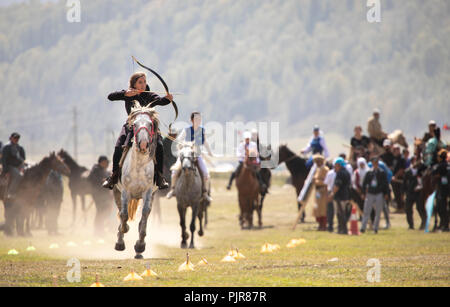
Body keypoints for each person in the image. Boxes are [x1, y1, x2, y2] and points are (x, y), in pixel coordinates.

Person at [102, 72, 172, 190]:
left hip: (149, 128)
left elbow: (160, 101)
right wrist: (125, 93)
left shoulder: (149, 95)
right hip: (131, 127)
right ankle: (113, 177)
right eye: (140, 82)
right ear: (134, 83)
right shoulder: (128, 93)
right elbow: (110, 96)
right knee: (119, 147)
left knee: (159, 146)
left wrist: (168, 99)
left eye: (144, 82)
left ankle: (160, 177)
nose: (143, 84)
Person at [167, 112, 213, 202]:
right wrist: (183, 145)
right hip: (186, 155)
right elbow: (178, 142)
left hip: (197, 156)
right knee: (175, 171)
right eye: (196, 119)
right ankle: (173, 189)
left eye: (199, 119)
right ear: (191, 120)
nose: (198, 121)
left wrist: (210, 152)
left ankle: (204, 192)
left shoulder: (202, 130)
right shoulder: (186, 130)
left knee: (205, 174)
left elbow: (205, 142)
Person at [360, 157, 390, 234]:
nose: (375, 164)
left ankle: (375, 228)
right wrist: (363, 193)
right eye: (374, 162)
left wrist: (386, 193)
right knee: (367, 210)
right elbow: (364, 183)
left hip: (379, 193)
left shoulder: (382, 172)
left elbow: (385, 184)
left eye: (376, 162)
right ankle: (363, 227)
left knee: (378, 211)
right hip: (370, 193)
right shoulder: (369, 172)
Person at [88, 156, 113, 236]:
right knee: (100, 211)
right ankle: (98, 231)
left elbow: (109, 177)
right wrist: (101, 180)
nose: (108, 164)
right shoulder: (95, 169)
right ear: (102, 162)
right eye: (106, 162)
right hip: (98, 194)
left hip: (105, 194)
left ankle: (100, 229)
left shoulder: (104, 170)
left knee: (106, 211)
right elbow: (90, 179)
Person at [403, 156, 426, 230]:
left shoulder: (421, 171)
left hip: (418, 193)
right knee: (408, 209)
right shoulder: (407, 171)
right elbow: (404, 183)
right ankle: (411, 225)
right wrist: (403, 193)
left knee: (420, 208)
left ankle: (424, 222)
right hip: (410, 193)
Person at [329, 157, 351, 235]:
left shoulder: (340, 173)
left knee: (340, 213)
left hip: (340, 196)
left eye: (335, 165)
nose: (334, 167)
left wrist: (332, 194)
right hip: (346, 195)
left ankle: (342, 230)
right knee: (343, 212)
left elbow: (337, 185)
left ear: (339, 165)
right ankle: (342, 229)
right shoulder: (347, 172)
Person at [1, 132, 26, 200]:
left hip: (19, 166)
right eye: (15, 138)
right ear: (11, 138)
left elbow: (23, 159)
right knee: (18, 175)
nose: (16, 139)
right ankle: (11, 193)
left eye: (17, 138)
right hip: (10, 167)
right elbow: (4, 160)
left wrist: (22, 167)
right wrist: (6, 171)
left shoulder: (20, 148)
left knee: (28, 174)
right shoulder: (7, 147)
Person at [432, 149, 449, 231]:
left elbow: (435, 174)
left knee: (440, 207)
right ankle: (445, 225)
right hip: (448, 189)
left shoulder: (440, 166)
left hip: (442, 190)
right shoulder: (448, 165)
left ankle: (443, 225)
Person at [312, 154, 329, 231]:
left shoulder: (325, 170)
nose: (317, 163)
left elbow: (326, 181)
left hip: (323, 191)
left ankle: (324, 225)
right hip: (318, 191)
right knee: (317, 208)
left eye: (317, 162)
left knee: (323, 208)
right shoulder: (317, 169)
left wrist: (318, 182)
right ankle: (319, 224)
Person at [391, 144, 407, 213]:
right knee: (396, 194)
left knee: (401, 194)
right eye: (394, 150)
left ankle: (402, 208)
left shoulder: (401, 158)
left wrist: (396, 176)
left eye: (396, 150)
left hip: (400, 179)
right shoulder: (394, 158)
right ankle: (399, 207)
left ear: (398, 150)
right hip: (394, 180)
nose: (394, 151)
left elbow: (401, 169)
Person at [324, 160, 336, 232]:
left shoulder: (331, 173)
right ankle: (330, 226)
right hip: (331, 192)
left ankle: (331, 225)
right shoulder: (330, 173)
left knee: (331, 210)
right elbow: (326, 184)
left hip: (333, 192)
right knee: (330, 210)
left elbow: (326, 184)